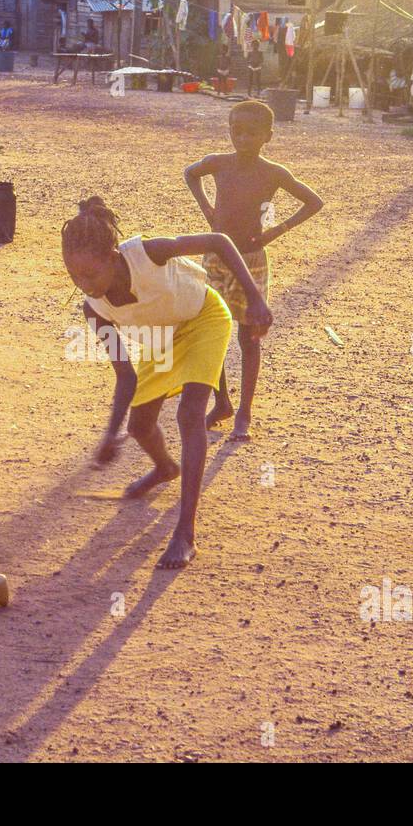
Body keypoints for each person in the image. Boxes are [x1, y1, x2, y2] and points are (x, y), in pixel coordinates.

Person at [62, 197, 272, 570]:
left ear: (112, 256)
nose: (84, 284)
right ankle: (165, 468)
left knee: (189, 415)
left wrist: (255, 299)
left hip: (204, 318)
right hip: (162, 338)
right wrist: (111, 434)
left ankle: (185, 534)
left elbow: (219, 241)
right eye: (74, 276)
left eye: (90, 274)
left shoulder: (147, 253)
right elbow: (125, 375)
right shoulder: (93, 308)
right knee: (140, 425)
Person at [184, 100, 324, 441]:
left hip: (252, 259)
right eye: (236, 131)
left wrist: (278, 230)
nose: (242, 139)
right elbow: (190, 173)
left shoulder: (273, 173)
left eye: (251, 134)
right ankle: (222, 402)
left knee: (249, 338)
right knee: (212, 333)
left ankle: (244, 413)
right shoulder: (218, 163)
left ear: (268, 137)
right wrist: (208, 210)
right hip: (216, 258)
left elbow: (314, 201)